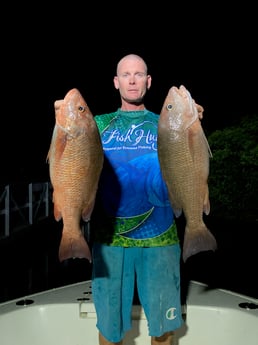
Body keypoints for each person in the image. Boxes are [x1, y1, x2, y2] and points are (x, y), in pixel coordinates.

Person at [91, 54, 183, 345]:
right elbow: (69, 151)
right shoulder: (97, 124)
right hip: (109, 240)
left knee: (163, 328)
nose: (133, 80)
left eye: (139, 74)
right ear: (116, 82)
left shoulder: (167, 124)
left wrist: (191, 121)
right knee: (109, 327)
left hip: (161, 237)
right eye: (126, 74)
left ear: (148, 81)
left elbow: (192, 155)